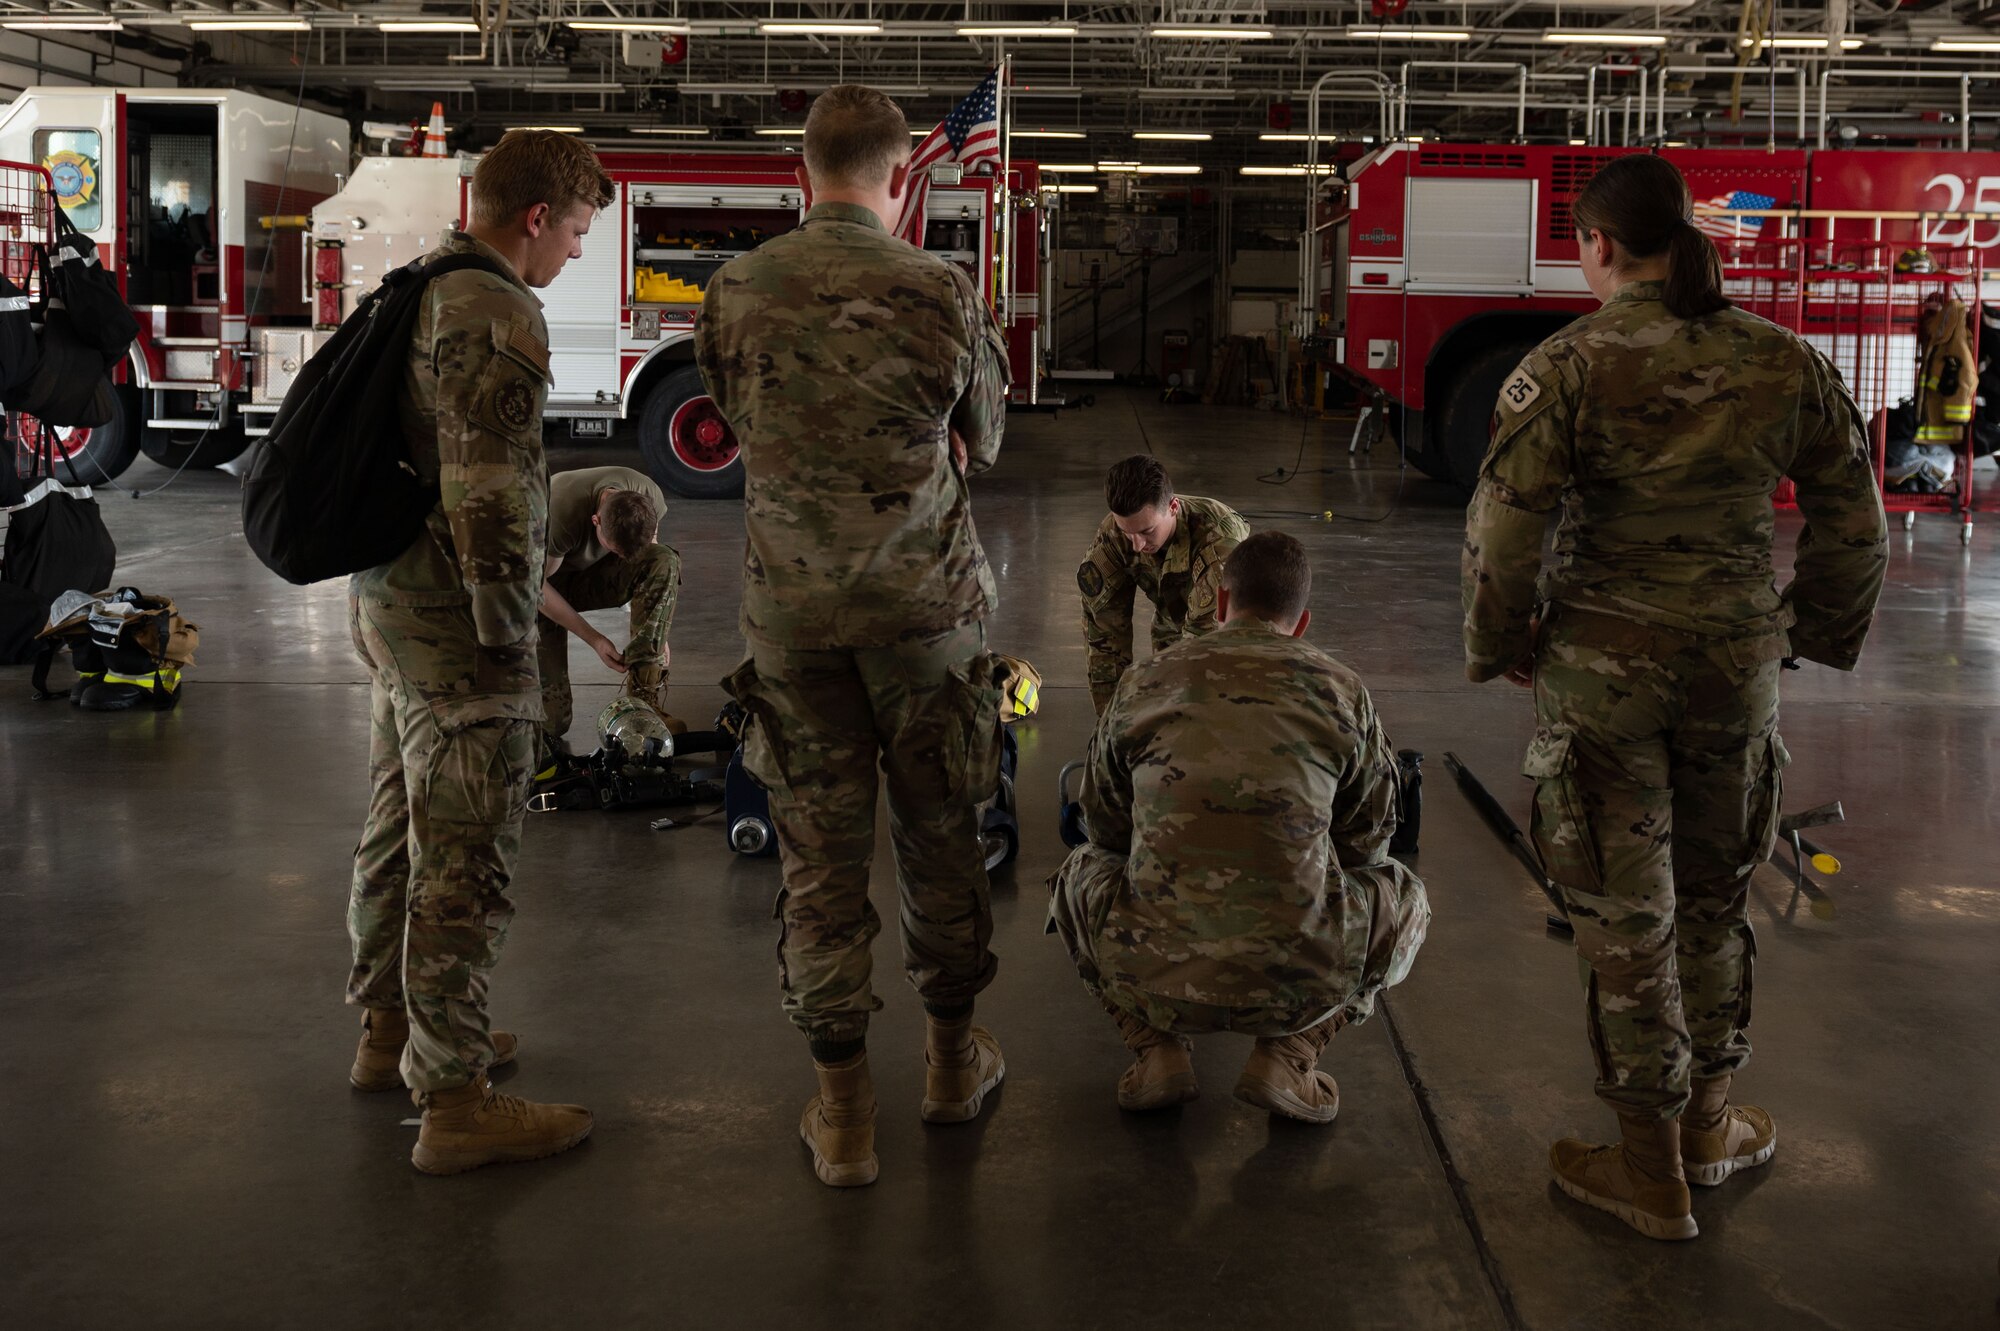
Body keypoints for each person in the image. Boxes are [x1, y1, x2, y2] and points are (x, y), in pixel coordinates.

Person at [1461, 154, 1888, 1241]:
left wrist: (1501, 641)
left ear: (1595, 244)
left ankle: (1646, 1167)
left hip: (1602, 676)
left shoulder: (1564, 363)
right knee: (1712, 898)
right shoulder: (1776, 359)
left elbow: (1505, 530)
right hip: (1732, 667)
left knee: (1622, 916)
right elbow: (1853, 513)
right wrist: (1805, 633)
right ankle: (1708, 1123)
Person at [695, 84, 1012, 1189]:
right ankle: (946, 1063)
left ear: (801, 174)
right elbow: (990, 433)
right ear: (899, 178)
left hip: (792, 617)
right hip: (924, 618)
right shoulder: (939, 287)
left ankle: (842, 1115)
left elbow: (737, 419)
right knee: (940, 838)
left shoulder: (735, 289)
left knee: (818, 866)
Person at [345, 130, 614, 1175]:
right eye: (579, 231)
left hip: (394, 605)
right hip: (457, 628)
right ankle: (453, 1096)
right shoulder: (495, 308)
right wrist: (512, 643)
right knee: (463, 856)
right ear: (535, 218)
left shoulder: (420, 281)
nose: (579, 254)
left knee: (395, 831)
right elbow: (491, 500)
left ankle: (389, 1034)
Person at [1049, 531, 1429, 1123]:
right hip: (1300, 981)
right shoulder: (1343, 690)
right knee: (1403, 894)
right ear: (1301, 623)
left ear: (1220, 606)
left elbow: (1103, 828)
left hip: (1153, 973)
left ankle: (1157, 1048)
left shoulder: (1144, 682)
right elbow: (1368, 842)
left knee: (1078, 874)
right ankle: (1292, 1053)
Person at [1078, 455, 1248, 713]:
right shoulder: (1113, 534)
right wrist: (1111, 724)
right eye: (1127, 532)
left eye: (1146, 532)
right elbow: (1104, 635)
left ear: (1173, 507)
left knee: (1212, 709)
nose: (1136, 545)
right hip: (1171, 615)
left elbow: (1203, 646)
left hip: (1225, 631)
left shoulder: (1218, 542)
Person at [536, 464, 679, 757]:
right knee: (553, 722)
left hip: (589, 577)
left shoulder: (649, 494)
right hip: (545, 586)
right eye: (614, 550)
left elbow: (648, 557)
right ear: (595, 521)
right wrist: (595, 639)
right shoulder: (560, 513)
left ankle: (644, 705)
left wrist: (655, 631)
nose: (619, 558)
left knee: (664, 559)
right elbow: (536, 589)